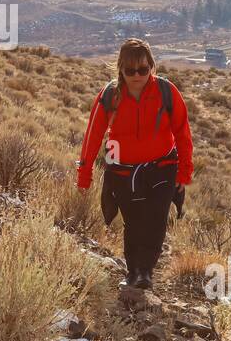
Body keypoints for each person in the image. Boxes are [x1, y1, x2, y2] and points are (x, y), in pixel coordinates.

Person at [76, 38, 193, 289]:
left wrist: (184, 173)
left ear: (151, 66)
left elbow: (183, 132)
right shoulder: (110, 95)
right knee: (133, 222)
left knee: (157, 218)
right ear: (120, 69)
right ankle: (133, 271)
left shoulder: (166, 91)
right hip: (123, 172)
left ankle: (145, 271)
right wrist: (84, 175)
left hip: (163, 168)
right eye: (130, 70)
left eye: (143, 69)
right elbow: (92, 136)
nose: (137, 75)